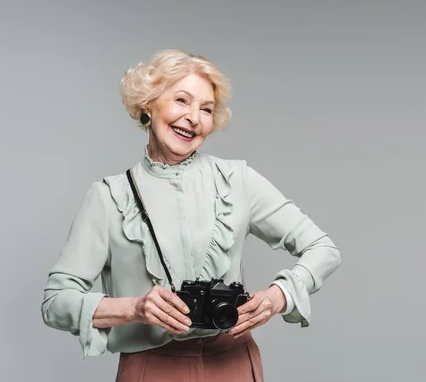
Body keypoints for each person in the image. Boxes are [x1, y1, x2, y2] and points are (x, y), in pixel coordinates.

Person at [41, 49, 341, 381]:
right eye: (182, 100)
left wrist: (278, 296)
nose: (194, 118)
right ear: (148, 104)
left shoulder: (237, 180)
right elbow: (56, 302)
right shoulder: (110, 196)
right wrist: (135, 308)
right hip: (150, 368)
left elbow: (323, 248)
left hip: (234, 364)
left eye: (206, 109)